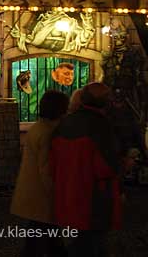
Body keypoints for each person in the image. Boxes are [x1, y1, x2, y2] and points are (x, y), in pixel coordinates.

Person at [50, 82, 124, 256]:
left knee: (81, 241)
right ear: (104, 102)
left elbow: (52, 163)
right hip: (93, 198)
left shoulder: (64, 124)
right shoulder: (101, 126)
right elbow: (105, 168)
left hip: (67, 193)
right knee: (91, 243)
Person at [10, 90, 70, 257]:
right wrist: (56, 194)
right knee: (43, 240)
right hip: (41, 197)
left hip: (31, 193)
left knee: (40, 240)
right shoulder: (48, 133)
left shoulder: (38, 127)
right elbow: (46, 169)